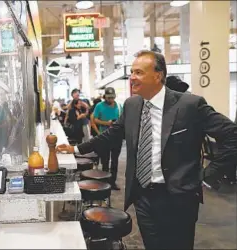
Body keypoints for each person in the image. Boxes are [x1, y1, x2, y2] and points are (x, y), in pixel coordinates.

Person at [57, 50, 237, 250]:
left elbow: (232, 134)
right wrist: (75, 148)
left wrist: (209, 174)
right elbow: (112, 135)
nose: (132, 77)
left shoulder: (189, 105)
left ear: (158, 75)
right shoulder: (132, 105)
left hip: (178, 198)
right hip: (142, 196)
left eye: (139, 72)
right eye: (132, 72)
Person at [92, 87, 123, 190]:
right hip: (104, 137)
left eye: (112, 98)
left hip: (117, 137)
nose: (111, 100)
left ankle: (112, 182)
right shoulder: (99, 106)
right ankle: (104, 182)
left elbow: (122, 119)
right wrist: (107, 123)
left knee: (115, 161)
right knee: (105, 161)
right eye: (109, 98)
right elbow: (95, 120)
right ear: (105, 97)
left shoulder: (119, 106)